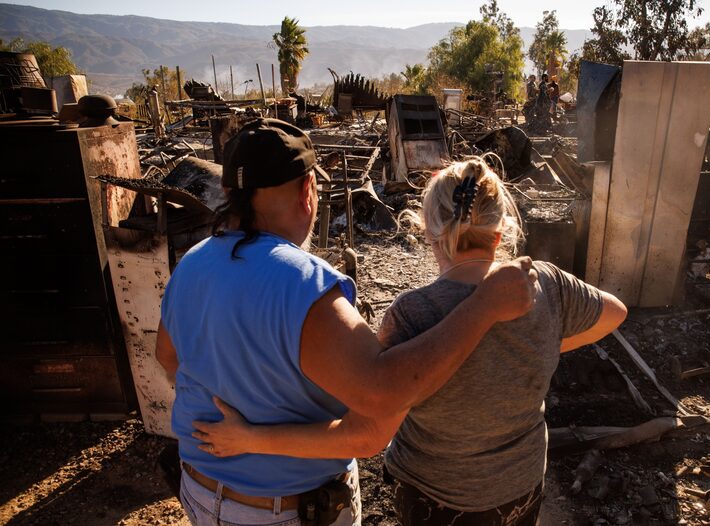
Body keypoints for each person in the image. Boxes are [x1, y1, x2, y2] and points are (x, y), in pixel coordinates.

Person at [191, 157, 628, 526]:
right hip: (522, 488)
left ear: (429, 232)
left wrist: (250, 437)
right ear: (501, 233)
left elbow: (368, 434)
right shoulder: (544, 283)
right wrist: (545, 342)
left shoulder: (415, 313)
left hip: (440, 501)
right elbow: (614, 313)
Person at [155, 120, 536, 526]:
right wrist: (484, 307)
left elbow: (168, 358)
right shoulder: (301, 283)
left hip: (200, 490)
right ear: (308, 191)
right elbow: (379, 404)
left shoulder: (194, 262)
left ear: (230, 193)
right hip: (282, 511)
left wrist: (244, 397)